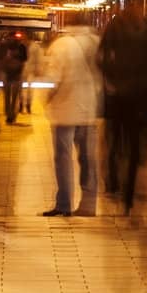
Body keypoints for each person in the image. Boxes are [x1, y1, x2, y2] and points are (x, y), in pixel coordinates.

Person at [99, 3, 147, 213]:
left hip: (122, 96)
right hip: (136, 97)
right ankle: (126, 190)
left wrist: (110, 80)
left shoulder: (116, 29)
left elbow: (102, 57)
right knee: (130, 145)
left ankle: (118, 185)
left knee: (118, 142)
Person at [41, 11, 101, 217]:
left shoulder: (62, 45)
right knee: (88, 158)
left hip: (65, 109)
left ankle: (64, 203)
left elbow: (53, 77)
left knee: (64, 157)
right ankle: (89, 203)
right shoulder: (96, 42)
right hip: (89, 109)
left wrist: (47, 97)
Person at [1, 33, 28, 124]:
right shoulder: (21, 47)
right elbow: (25, 59)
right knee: (13, 97)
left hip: (9, 75)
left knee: (8, 97)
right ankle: (11, 115)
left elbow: (1, 59)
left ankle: (9, 115)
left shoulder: (5, 47)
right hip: (16, 75)